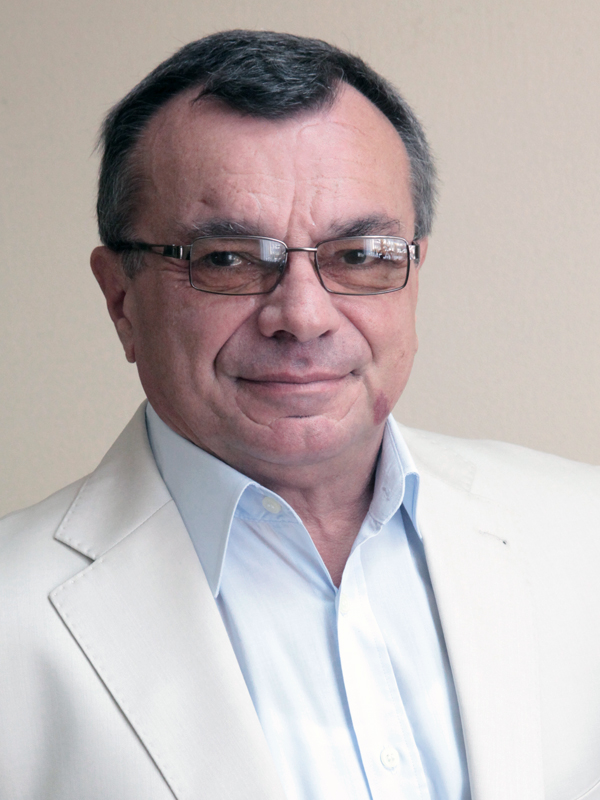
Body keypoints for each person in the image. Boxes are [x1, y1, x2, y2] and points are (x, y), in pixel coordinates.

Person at [1, 30, 599, 800]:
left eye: (359, 255)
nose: (304, 317)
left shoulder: (582, 535)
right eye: (226, 260)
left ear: (415, 271)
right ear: (120, 297)